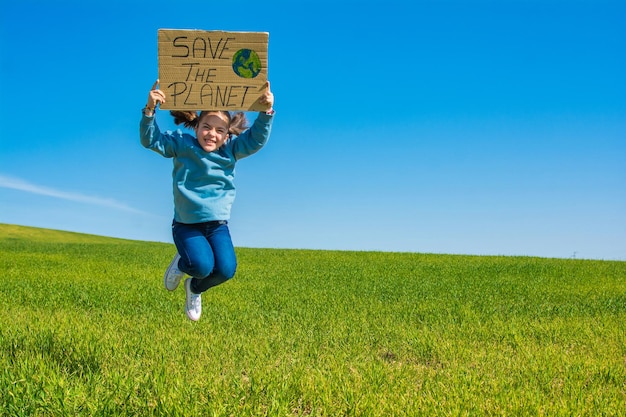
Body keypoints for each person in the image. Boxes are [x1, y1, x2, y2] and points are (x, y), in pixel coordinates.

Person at [140, 80, 275, 321]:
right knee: (201, 265)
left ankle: (194, 288)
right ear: (197, 126)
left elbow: (255, 140)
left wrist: (266, 113)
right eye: (206, 127)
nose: (212, 134)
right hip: (186, 224)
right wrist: (150, 110)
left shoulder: (230, 151)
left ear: (227, 135)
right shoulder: (182, 145)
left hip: (217, 226)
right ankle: (184, 262)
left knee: (225, 270)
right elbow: (151, 140)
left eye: (219, 130)